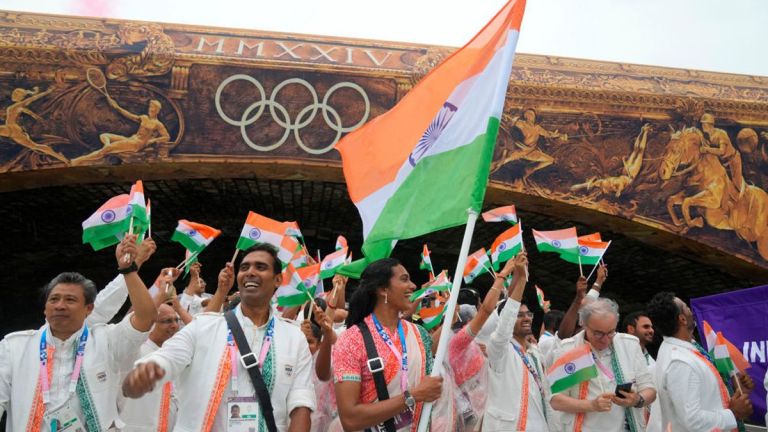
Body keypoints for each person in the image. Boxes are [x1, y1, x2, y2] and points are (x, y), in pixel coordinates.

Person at [122, 244, 316, 432]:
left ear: (277, 280)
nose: (250, 272)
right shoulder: (204, 327)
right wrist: (146, 372)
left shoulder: (294, 338)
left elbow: (301, 403)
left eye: (261, 267)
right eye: (244, 267)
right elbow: (168, 358)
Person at [0, 234, 156, 431]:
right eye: (54, 299)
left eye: (70, 300)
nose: (60, 306)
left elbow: (146, 317)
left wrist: (129, 269)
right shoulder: (14, 347)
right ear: (44, 309)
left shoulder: (106, 340)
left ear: (88, 309)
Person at [332, 258, 442, 432]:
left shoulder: (419, 334)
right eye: (404, 279)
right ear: (383, 289)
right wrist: (412, 396)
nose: (413, 286)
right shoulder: (352, 340)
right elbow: (350, 419)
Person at [646, 292, 753, 431]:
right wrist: (733, 413)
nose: (690, 309)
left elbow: (705, 398)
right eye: (686, 306)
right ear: (682, 319)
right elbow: (692, 421)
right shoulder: (679, 362)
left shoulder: (686, 349)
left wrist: (733, 391)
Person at [550, 298, 656, 432]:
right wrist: (591, 405)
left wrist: (637, 400)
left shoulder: (629, 345)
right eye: (598, 333)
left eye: (611, 332)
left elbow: (650, 389)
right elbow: (555, 400)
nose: (606, 339)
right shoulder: (568, 350)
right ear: (584, 325)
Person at [483, 252, 557, 431]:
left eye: (528, 315)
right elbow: (505, 323)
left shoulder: (536, 353)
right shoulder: (499, 349)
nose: (526, 319)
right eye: (519, 315)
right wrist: (522, 279)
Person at [446, 257, 522, 430]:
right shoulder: (459, 340)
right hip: (472, 413)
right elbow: (493, 308)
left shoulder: (457, 340)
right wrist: (505, 274)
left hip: (481, 408)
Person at [119, 302, 183, 431]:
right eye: (167, 321)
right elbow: (126, 331)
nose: (175, 326)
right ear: (151, 324)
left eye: (176, 320)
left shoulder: (177, 354)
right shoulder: (134, 352)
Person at [700, 112, 744, 193]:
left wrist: (706, 149)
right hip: (722, 162)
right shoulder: (707, 136)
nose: (702, 126)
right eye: (702, 124)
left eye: (704, 124)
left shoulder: (721, 133)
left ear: (709, 125)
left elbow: (722, 151)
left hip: (733, 160)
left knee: (737, 186)